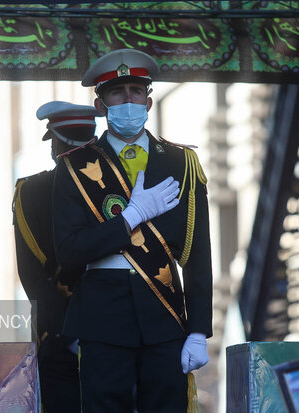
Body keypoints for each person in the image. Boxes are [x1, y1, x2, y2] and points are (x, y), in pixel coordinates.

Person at [52, 49, 213, 412]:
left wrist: (200, 328)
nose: (128, 100)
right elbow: (69, 251)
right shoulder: (75, 166)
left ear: (149, 101)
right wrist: (130, 217)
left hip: (164, 314)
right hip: (102, 316)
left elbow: (199, 254)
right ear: (100, 103)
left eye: (136, 92)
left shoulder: (182, 162)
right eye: (117, 93)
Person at [12, 101, 103, 413]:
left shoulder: (31, 191)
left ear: (57, 143)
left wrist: (61, 331)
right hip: (114, 332)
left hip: (58, 336)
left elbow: (31, 276)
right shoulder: (117, 187)